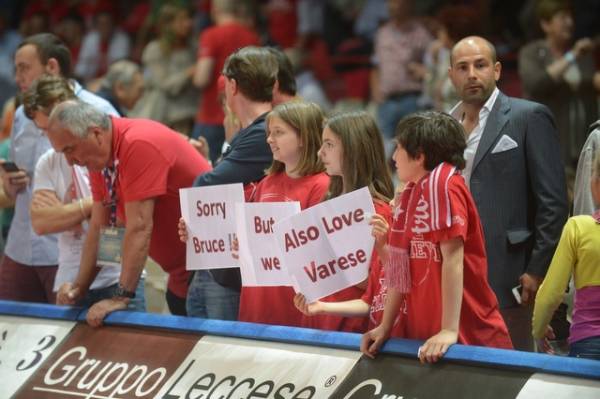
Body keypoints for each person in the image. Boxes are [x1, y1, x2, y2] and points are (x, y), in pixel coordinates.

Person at [361, 111, 513, 363]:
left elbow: (452, 257)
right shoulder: (409, 192)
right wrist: (385, 326)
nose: (393, 156)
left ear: (419, 155)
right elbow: (399, 269)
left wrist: (449, 330)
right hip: (427, 335)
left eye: (398, 148)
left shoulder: (444, 184)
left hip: (467, 333)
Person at [448, 36, 569, 351]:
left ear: (497, 70)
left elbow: (553, 203)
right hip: (452, 270)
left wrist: (537, 268)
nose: (472, 73)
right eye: (463, 67)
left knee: (514, 367)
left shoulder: (527, 116)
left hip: (512, 273)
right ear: (451, 75)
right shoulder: (443, 126)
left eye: (480, 65)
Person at [48, 100, 211, 326]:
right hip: (182, 276)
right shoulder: (100, 160)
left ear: (96, 133)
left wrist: (121, 297)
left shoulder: (137, 143)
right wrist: (78, 289)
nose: (69, 161)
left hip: (210, 276)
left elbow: (140, 226)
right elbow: (100, 228)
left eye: (70, 149)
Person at [180, 101, 329, 326]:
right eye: (269, 133)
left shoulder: (322, 186)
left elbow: (318, 256)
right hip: (255, 307)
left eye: (278, 133)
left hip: (294, 311)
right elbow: (249, 247)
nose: (269, 139)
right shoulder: (266, 183)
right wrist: (198, 230)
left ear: (303, 138)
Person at [0, 33, 117, 304]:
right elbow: (41, 222)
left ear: (52, 67)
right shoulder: (25, 119)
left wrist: (121, 289)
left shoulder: (100, 111)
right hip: (26, 247)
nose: (17, 77)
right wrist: (87, 207)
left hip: (102, 270)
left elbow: (116, 210)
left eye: (24, 67)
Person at [24, 75, 145, 310]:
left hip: (117, 277)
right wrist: (91, 206)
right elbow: (40, 223)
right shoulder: (48, 162)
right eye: (42, 131)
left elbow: (118, 223)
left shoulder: (101, 154)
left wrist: (68, 212)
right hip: (69, 280)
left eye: (49, 128)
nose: (48, 138)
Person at [185, 46, 277, 321]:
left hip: (235, 274)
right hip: (219, 265)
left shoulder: (264, 133)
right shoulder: (251, 132)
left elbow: (205, 187)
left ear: (232, 85)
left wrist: (207, 175)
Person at [301, 110, 395, 332]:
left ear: (354, 149)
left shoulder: (378, 213)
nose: (320, 152)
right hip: (315, 324)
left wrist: (335, 261)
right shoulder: (325, 204)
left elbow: (374, 288)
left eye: (329, 145)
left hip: (349, 332)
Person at [533, 148, 600, 360]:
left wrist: (539, 329)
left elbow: (551, 293)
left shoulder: (578, 228)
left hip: (590, 342)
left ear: (597, 184)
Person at [519, 0, 599, 169]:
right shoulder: (531, 53)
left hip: (583, 146)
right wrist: (573, 56)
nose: (569, 22)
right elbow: (537, 84)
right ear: (545, 24)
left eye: (570, 17)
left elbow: (590, 84)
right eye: (562, 18)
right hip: (547, 144)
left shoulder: (584, 55)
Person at [192, 0, 260, 163]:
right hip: (242, 117)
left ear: (215, 11)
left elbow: (202, 78)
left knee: (203, 167)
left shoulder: (211, 35)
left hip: (210, 115)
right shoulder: (251, 36)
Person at [371, 0, 432, 156]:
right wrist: (376, 91)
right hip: (386, 100)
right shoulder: (382, 33)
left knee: (412, 147)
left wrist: (424, 70)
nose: (394, 6)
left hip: (411, 99)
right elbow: (375, 66)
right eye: (391, 2)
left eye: (398, 2)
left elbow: (435, 64)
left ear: (409, 5)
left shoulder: (420, 32)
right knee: (382, 150)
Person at [136, 4, 198, 135]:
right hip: (168, 118)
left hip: (193, 114)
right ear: (167, 25)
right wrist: (190, 72)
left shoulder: (194, 47)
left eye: (189, 19)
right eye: (181, 20)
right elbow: (165, 85)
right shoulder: (155, 50)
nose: (188, 24)